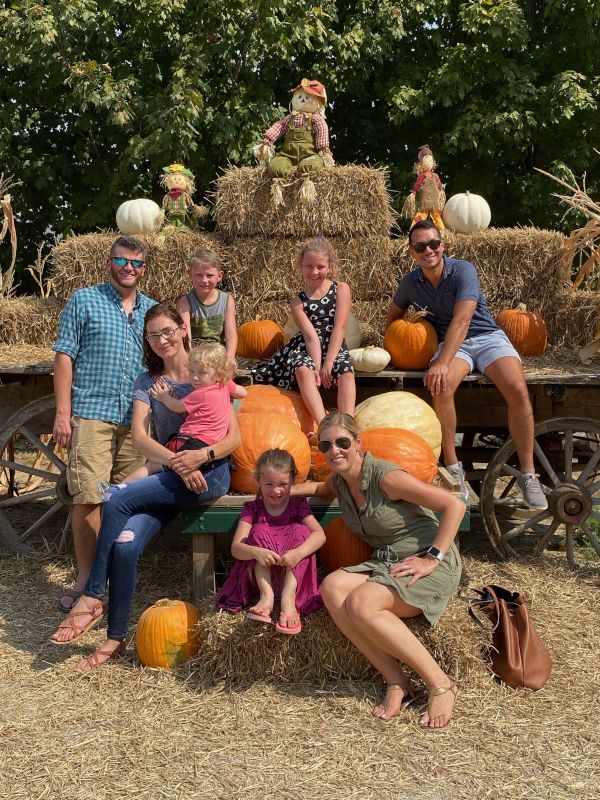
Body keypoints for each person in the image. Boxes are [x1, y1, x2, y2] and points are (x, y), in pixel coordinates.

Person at [49, 303, 241, 671]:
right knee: (125, 545)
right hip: (172, 473)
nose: (162, 340)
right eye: (153, 335)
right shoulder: (146, 382)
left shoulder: (209, 372)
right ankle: (115, 639)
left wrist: (200, 457)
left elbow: (235, 438)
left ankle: (93, 594)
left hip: (210, 473)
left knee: (117, 499)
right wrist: (178, 462)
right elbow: (140, 438)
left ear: (182, 329)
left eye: (168, 331)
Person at [295, 411, 464, 728]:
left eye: (342, 442)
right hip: (388, 560)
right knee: (332, 588)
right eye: (326, 446)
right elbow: (319, 490)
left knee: (361, 603)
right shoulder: (340, 481)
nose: (335, 451)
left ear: (358, 442)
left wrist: (432, 558)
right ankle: (396, 679)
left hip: (425, 558)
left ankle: (441, 684)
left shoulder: (386, 478)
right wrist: (278, 489)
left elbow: (454, 505)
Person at [386, 220, 547, 510]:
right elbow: (393, 317)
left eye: (433, 244)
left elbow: (463, 320)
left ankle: (528, 474)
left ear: (443, 245)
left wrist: (441, 362)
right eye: (420, 247)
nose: (428, 250)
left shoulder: (463, 270)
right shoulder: (410, 283)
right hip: (452, 345)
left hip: (486, 337)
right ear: (411, 252)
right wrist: (403, 338)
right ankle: (452, 466)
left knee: (517, 388)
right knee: (441, 384)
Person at [52, 235, 156, 612]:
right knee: (89, 497)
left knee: (128, 499)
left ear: (144, 268)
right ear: (110, 262)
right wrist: (63, 412)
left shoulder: (152, 310)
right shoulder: (84, 300)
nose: (129, 267)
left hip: (137, 418)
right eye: (123, 260)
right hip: (93, 411)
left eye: (136, 262)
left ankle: (116, 578)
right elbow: (64, 356)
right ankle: (86, 580)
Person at [103, 341, 247, 490]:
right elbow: (243, 393)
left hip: (191, 441)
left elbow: (177, 406)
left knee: (153, 466)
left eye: (201, 373)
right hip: (211, 444)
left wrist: (164, 396)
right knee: (156, 466)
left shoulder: (200, 394)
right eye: (192, 371)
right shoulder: (225, 384)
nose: (195, 378)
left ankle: (118, 489)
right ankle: (119, 489)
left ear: (219, 374)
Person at [215, 449, 325, 634]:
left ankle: (288, 599)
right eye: (269, 484)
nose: (276, 491)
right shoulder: (252, 509)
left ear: (293, 480)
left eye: (283, 484)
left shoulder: (298, 505)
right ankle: (266, 596)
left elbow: (320, 534)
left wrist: (297, 554)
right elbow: (236, 548)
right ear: (258, 480)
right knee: (258, 531)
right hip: (262, 577)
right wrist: (256, 552)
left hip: (292, 576)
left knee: (303, 532)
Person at [252, 237, 356, 424]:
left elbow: (340, 328)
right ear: (301, 266)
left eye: (320, 267)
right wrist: (316, 368)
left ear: (330, 267)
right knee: (303, 370)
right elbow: (310, 337)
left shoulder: (341, 289)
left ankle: (348, 425)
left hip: (334, 344)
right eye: (309, 266)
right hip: (306, 347)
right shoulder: (297, 303)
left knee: (346, 372)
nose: (314, 272)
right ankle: (323, 424)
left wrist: (329, 362)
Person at [176, 247, 238, 367]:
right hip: (196, 354)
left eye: (209, 275)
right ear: (190, 274)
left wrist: (230, 357)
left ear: (219, 276)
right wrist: (189, 359)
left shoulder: (227, 300)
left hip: (218, 353)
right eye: (199, 275)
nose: (204, 280)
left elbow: (231, 334)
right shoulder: (185, 303)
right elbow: (185, 336)